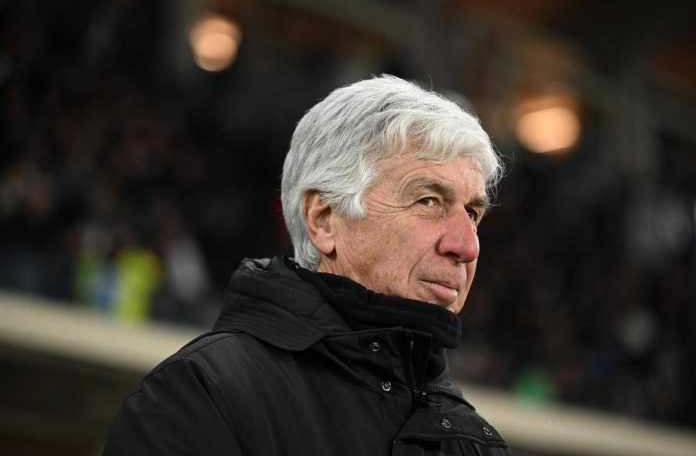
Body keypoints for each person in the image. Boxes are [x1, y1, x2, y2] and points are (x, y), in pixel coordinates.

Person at [103, 75, 511, 455]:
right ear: (324, 220)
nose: (467, 245)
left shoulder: (475, 444)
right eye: (428, 201)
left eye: (472, 213)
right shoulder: (198, 397)